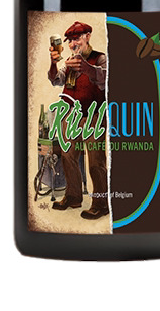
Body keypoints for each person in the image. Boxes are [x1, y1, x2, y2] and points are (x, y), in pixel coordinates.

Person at [48, 21, 109, 219]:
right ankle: (73, 196)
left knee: (95, 160)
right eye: (70, 41)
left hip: (93, 116)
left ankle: (101, 204)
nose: (73, 44)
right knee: (68, 156)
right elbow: (56, 80)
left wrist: (87, 68)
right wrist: (53, 63)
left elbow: (107, 79)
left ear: (87, 37)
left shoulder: (99, 58)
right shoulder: (70, 61)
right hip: (71, 115)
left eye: (76, 39)